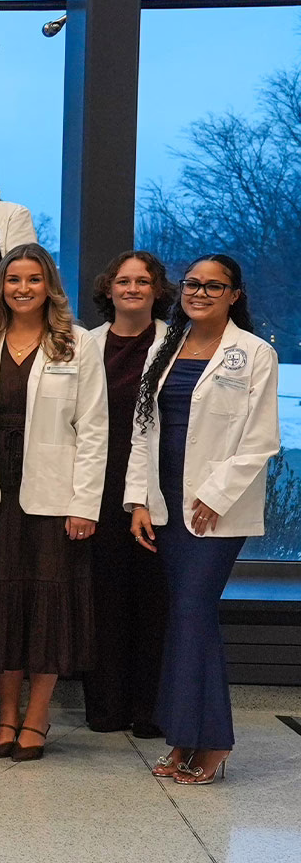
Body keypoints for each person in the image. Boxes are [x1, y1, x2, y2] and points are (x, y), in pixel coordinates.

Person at [128, 254, 277, 785]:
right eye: (193, 284)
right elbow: (142, 431)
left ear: (235, 295)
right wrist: (139, 501)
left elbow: (261, 440)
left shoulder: (254, 353)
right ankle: (186, 737)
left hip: (215, 509)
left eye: (214, 287)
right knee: (186, 616)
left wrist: (215, 494)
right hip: (166, 502)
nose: (200, 293)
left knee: (193, 612)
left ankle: (211, 742)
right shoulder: (164, 348)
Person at [0, 244, 108, 761]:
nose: (22, 289)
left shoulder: (77, 344)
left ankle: (37, 716)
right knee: (2, 605)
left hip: (54, 494)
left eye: (33, 280)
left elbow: (94, 430)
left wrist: (85, 505)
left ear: (49, 285)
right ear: (0, 287)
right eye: (12, 280)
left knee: (48, 606)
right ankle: (6, 717)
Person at [82, 251, 173, 737]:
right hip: (95, 482)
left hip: (153, 484)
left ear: (158, 290)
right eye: (123, 280)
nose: (132, 288)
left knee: (150, 598)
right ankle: (105, 707)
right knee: (103, 597)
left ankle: (149, 708)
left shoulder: (175, 345)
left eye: (143, 281)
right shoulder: (86, 344)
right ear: (109, 288)